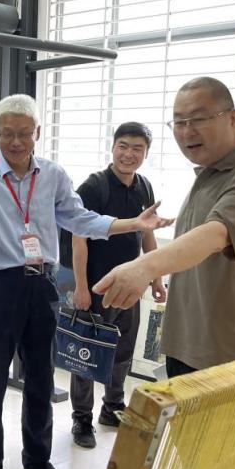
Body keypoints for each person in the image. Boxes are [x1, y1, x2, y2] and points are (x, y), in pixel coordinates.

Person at [0, 94, 173, 469]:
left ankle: (37, 460)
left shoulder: (52, 175)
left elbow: (80, 219)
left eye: (23, 134)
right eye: (7, 134)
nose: (15, 142)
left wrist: (134, 224)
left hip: (43, 285)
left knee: (41, 379)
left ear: (38, 133)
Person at [94, 77, 235, 378]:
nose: (187, 131)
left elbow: (215, 235)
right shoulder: (212, 173)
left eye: (199, 119)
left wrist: (144, 267)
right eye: (179, 122)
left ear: (232, 118)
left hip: (227, 354)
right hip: (187, 344)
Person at [68, 122, 166, 449]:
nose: (129, 154)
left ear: (146, 153)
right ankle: (82, 418)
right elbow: (78, 239)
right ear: (112, 147)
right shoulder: (94, 186)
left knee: (122, 352)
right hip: (96, 288)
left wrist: (156, 278)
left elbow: (147, 234)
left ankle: (112, 408)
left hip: (130, 287)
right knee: (87, 354)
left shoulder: (144, 186)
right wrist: (81, 287)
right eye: (123, 146)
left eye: (137, 148)